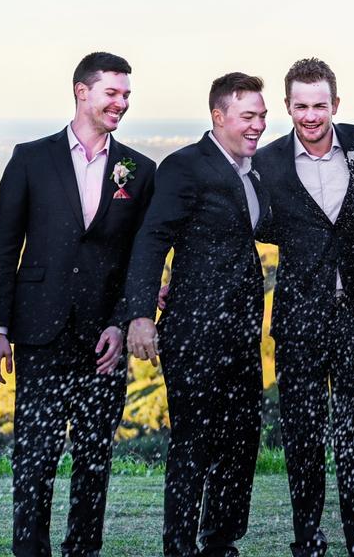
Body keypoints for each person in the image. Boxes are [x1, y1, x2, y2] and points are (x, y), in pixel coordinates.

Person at [0, 52, 155, 557]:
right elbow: (5, 247)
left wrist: (123, 322)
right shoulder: (30, 157)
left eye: (126, 95)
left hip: (104, 340)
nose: (121, 103)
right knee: (34, 458)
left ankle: (84, 550)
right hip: (39, 331)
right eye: (112, 93)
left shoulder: (138, 171)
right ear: (82, 91)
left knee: (94, 459)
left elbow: (139, 258)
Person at [121, 72, 271, 557]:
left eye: (263, 116)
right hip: (194, 333)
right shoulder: (185, 165)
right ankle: (180, 547)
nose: (258, 125)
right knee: (194, 444)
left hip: (243, 334)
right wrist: (141, 314)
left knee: (242, 441)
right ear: (219, 116)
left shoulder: (255, 170)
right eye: (248, 116)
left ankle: (221, 542)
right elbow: (152, 238)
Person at [253, 58, 354, 557]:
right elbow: (239, 222)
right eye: (301, 106)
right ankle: (307, 542)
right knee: (303, 443)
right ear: (287, 106)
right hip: (297, 323)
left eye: (320, 105)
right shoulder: (265, 164)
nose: (311, 115)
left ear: (336, 104)